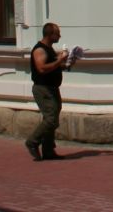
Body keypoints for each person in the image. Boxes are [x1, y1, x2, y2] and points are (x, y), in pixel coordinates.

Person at [25, 22, 70, 161]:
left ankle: (48, 150)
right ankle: (32, 141)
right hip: (43, 89)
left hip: (52, 88)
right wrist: (59, 61)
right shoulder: (40, 50)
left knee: (52, 118)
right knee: (51, 119)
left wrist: (67, 63)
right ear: (50, 34)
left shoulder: (50, 49)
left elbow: (54, 67)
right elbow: (42, 68)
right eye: (57, 33)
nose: (60, 36)